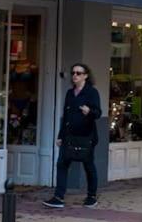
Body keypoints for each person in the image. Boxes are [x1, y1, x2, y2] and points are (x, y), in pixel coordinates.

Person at [44, 63, 102, 209]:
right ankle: (58, 197)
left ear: (85, 76)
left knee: (88, 165)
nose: (75, 75)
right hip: (69, 136)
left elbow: (98, 113)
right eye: (73, 73)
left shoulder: (91, 92)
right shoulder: (70, 93)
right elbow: (66, 116)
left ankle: (91, 196)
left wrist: (89, 112)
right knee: (62, 164)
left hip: (86, 136)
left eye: (78, 73)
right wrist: (60, 135)